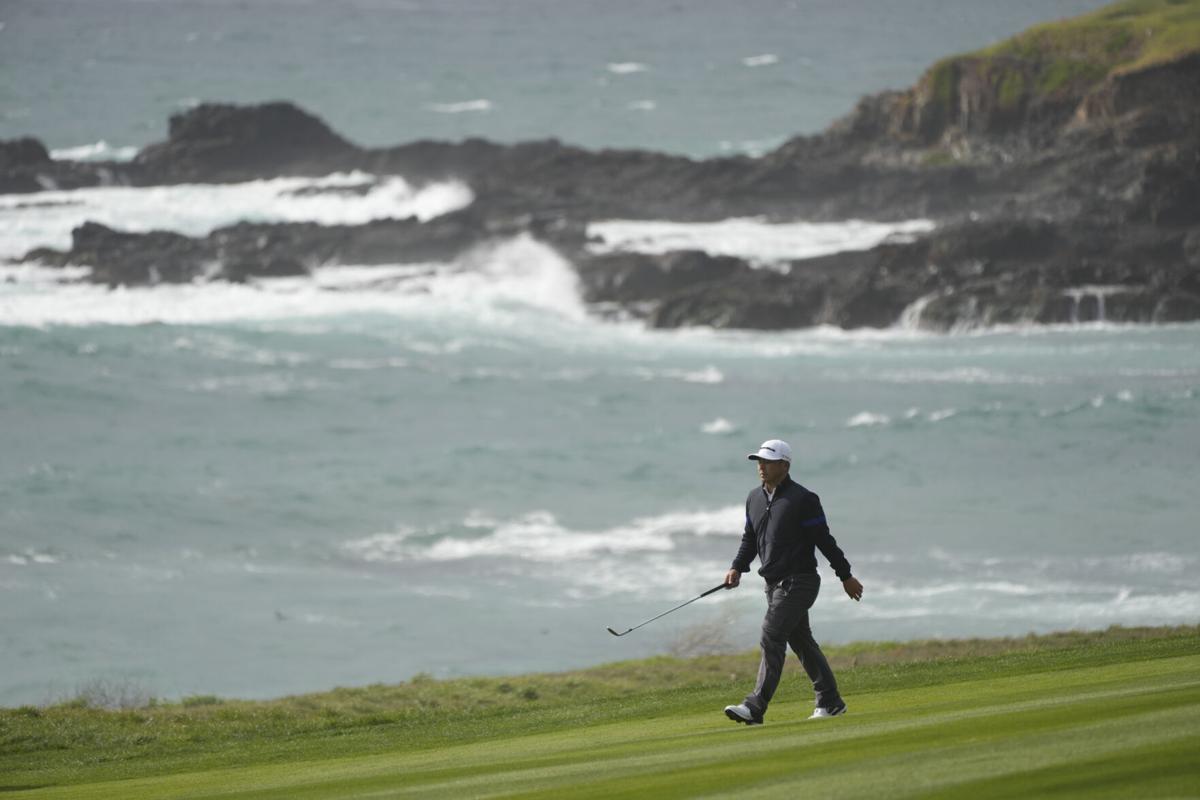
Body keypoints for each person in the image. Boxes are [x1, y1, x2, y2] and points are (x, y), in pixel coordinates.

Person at [722, 438, 864, 726]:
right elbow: (750, 539)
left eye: (768, 462)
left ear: (784, 466)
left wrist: (845, 575)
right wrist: (737, 567)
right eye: (759, 461)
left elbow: (824, 541)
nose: (761, 466)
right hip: (772, 584)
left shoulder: (803, 499)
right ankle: (830, 702)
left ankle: (754, 707)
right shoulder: (754, 498)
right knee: (802, 642)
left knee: (771, 634)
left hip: (800, 582)